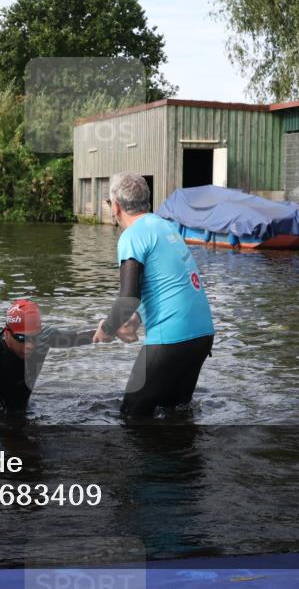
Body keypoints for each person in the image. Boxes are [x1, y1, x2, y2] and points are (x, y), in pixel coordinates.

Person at [93, 172, 215, 417]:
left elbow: (128, 297)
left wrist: (107, 329)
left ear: (116, 207)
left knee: (131, 414)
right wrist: (136, 320)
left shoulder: (132, 236)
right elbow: (166, 283)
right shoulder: (165, 226)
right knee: (175, 414)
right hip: (202, 335)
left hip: (172, 338)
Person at [0, 300, 106, 416]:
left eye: (35, 338)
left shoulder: (45, 336)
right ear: (6, 333)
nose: (30, 346)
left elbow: (80, 337)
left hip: (20, 414)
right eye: (22, 338)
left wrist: (110, 329)